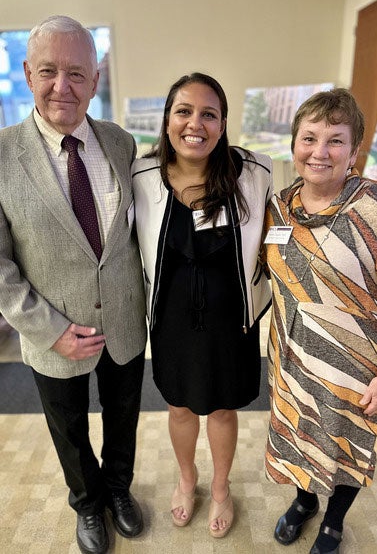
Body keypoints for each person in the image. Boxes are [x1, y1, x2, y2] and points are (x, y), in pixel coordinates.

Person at [0, 16, 146, 554]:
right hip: (52, 332)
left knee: (124, 416)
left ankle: (119, 489)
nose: (63, 86)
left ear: (96, 76)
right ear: (26, 73)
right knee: (69, 428)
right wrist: (51, 330)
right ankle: (86, 503)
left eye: (77, 73)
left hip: (125, 321)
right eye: (48, 71)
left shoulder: (121, 143)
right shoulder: (1, 155)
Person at [132, 72, 272, 537]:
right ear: (167, 120)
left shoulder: (254, 174)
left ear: (223, 123)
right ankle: (187, 480)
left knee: (224, 410)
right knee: (179, 408)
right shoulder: (141, 175)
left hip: (233, 321)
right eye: (184, 111)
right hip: (171, 320)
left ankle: (221, 489)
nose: (196, 123)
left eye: (208, 113)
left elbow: (280, 241)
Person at [263, 88, 377, 554]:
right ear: (294, 145)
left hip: (354, 364)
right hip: (291, 358)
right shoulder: (280, 206)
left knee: (346, 445)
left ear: (354, 152)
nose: (320, 151)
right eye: (309, 137)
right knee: (301, 434)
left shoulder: (371, 208)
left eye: (335, 140)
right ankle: (304, 501)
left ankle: (333, 521)